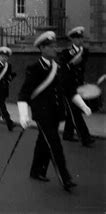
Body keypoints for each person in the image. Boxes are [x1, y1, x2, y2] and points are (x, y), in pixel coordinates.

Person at [17, 31, 89, 192]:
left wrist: (83, 105)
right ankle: (65, 178)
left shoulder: (58, 67)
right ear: (42, 48)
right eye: (50, 46)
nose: (54, 49)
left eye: (54, 45)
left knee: (43, 142)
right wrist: (23, 115)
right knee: (55, 145)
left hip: (56, 114)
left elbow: (69, 90)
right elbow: (23, 93)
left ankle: (36, 171)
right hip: (43, 115)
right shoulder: (34, 69)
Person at [59, 26, 95, 147]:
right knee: (75, 113)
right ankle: (85, 138)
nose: (80, 40)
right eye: (78, 38)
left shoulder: (84, 52)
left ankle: (67, 134)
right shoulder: (65, 53)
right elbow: (62, 69)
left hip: (78, 87)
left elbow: (81, 68)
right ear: (73, 40)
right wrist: (72, 63)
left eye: (81, 38)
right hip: (67, 87)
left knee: (73, 111)